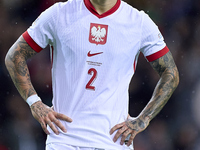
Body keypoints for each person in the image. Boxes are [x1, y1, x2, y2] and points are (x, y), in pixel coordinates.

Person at [5, 0, 179, 149]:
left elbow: (170, 73)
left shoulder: (139, 22)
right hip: (64, 141)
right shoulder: (59, 14)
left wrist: (144, 118)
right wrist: (35, 103)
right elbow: (14, 56)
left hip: (112, 142)